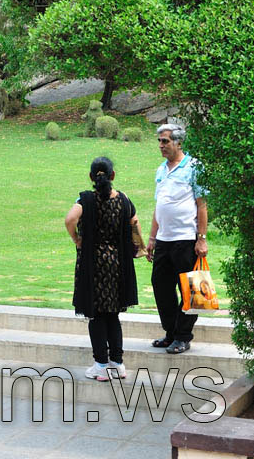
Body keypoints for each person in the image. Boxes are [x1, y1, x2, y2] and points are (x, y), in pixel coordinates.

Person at [64, 156, 140, 381]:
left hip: (94, 265)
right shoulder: (124, 200)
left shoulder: (85, 200)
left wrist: (76, 238)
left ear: (91, 177)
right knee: (113, 315)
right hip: (117, 265)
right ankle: (117, 364)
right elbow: (134, 225)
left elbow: (69, 219)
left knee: (96, 315)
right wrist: (142, 248)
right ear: (113, 176)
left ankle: (100, 365)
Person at [147, 123, 207, 355]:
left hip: (185, 240)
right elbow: (159, 207)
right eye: (160, 141)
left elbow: (202, 206)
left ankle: (183, 337)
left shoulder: (194, 167)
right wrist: (152, 238)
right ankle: (171, 332)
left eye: (165, 141)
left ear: (179, 142)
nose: (161, 145)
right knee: (161, 287)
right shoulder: (161, 170)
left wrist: (201, 238)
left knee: (190, 291)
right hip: (163, 240)